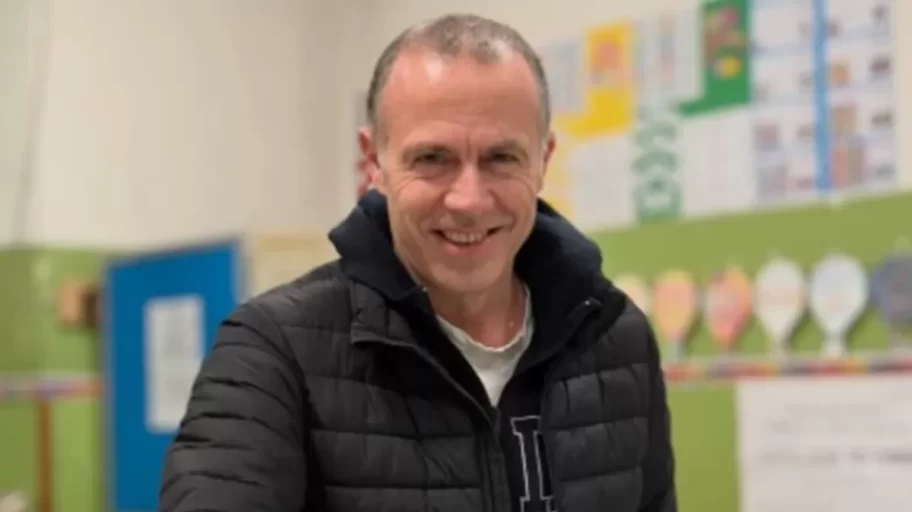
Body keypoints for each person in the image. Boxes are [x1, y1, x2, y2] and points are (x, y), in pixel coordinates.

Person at [159, 13, 675, 512]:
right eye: (432, 159)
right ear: (373, 162)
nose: (469, 200)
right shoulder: (272, 350)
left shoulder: (615, 337)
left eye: (501, 158)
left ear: (544, 160)